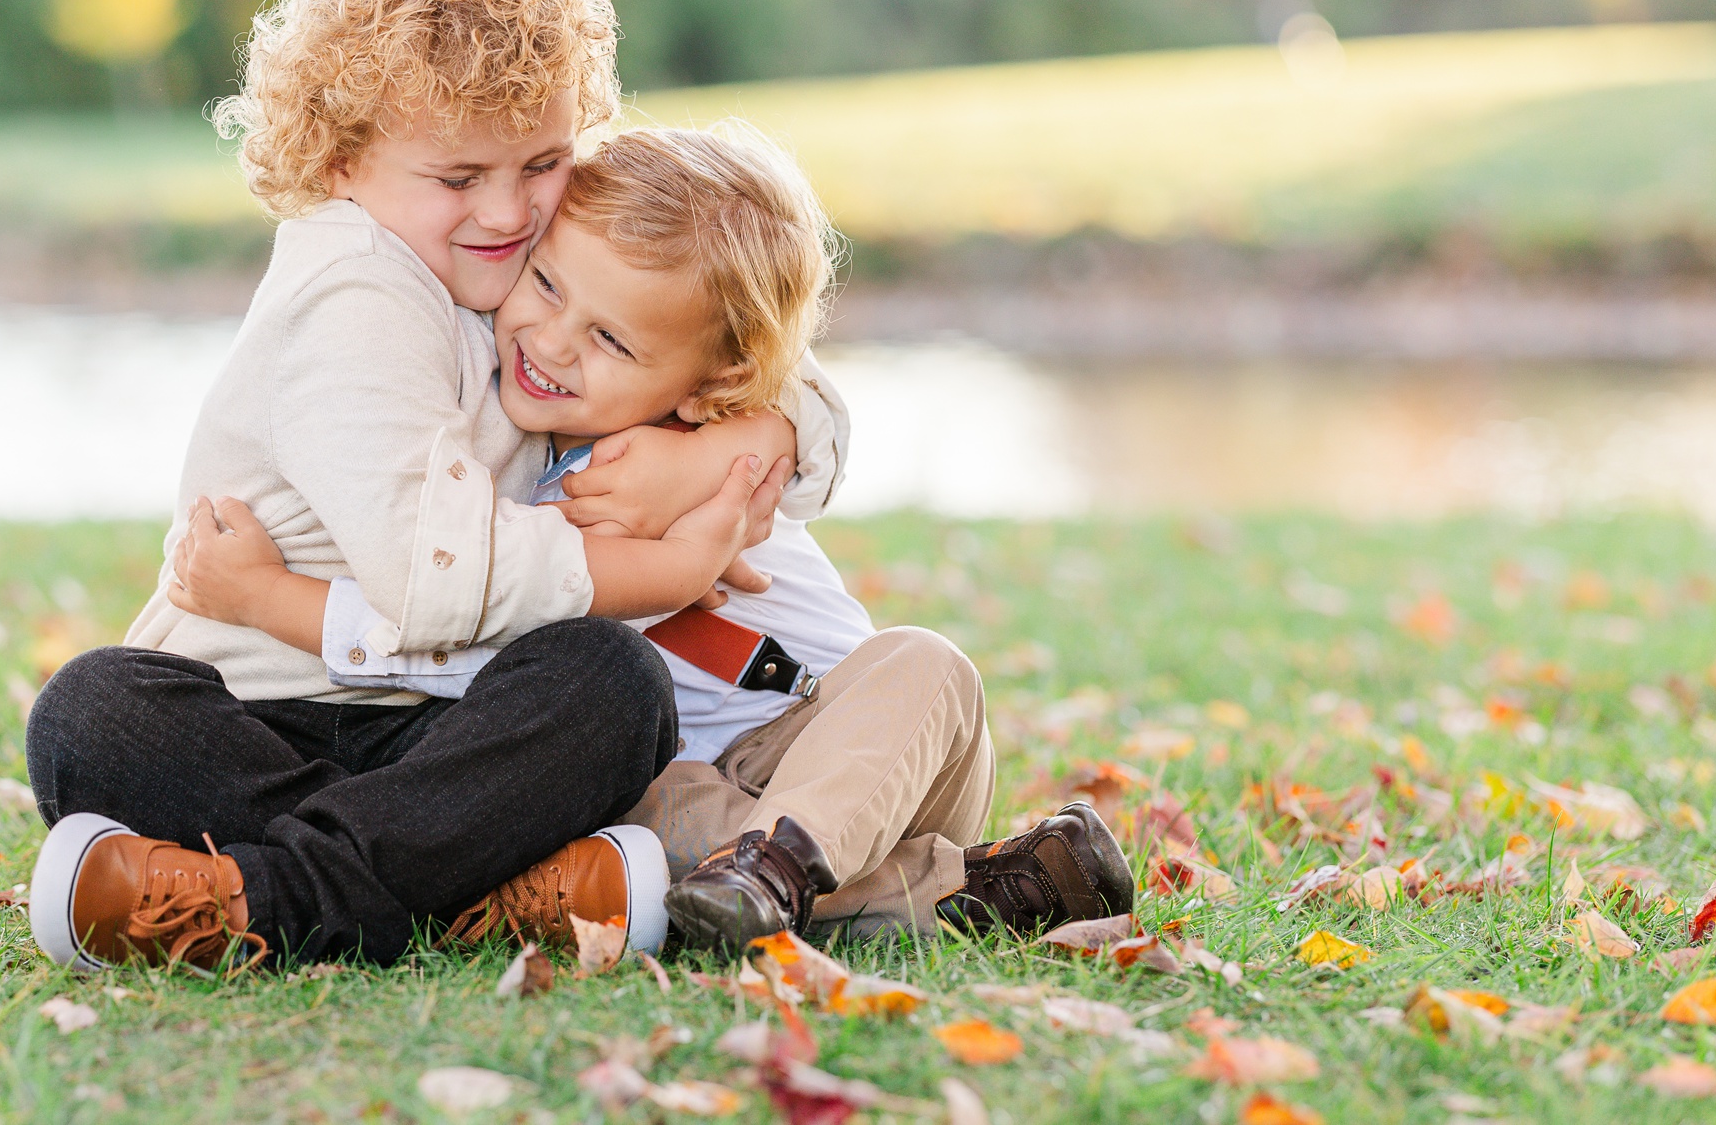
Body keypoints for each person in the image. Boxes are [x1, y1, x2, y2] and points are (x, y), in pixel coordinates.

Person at [22, 0, 848, 971]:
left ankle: (273, 890)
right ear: (340, 156)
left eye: (543, 163)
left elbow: (732, 337)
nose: (506, 210)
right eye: (459, 173)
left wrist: (750, 438)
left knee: (608, 687)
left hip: (449, 718)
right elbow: (434, 571)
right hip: (268, 705)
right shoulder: (353, 298)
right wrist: (670, 557)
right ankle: (449, 882)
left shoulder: (518, 265)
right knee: (94, 712)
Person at [169, 125, 1133, 951]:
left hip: (875, 752)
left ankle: (786, 864)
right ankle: (942, 891)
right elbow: (458, 647)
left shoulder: (713, 446)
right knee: (622, 803)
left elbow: (818, 414)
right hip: (707, 804)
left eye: (613, 341)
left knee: (927, 662)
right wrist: (265, 599)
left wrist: (737, 446)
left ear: (711, 385)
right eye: (544, 286)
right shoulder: (503, 475)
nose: (550, 341)